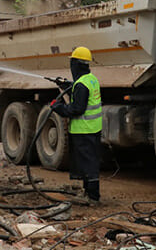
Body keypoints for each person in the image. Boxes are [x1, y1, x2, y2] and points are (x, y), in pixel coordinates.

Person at [50, 46, 103, 204]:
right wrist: (66, 85)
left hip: (84, 130)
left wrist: (57, 107)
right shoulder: (91, 79)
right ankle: (89, 194)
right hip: (93, 129)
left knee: (88, 165)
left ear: (76, 64)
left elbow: (76, 109)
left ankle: (93, 197)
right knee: (89, 162)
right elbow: (80, 90)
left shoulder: (81, 85)